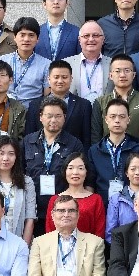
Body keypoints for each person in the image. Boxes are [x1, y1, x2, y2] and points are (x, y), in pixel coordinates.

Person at [22, 96, 86, 225]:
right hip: (32, 208)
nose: (53, 120)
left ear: (64, 117)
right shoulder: (27, 142)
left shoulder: (74, 144)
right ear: (41, 117)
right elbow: (20, 172)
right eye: (49, 116)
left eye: (58, 116)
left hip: (62, 210)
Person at [0, 135, 38, 243]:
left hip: (18, 242)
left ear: (16, 157)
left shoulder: (27, 182)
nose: (6, 158)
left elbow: (30, 218)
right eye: (1, 153)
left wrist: (23, 247)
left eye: (11, 154)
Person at [88, 98, 139, 198]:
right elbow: (90, 183)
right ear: (106, 119)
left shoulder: (137, 150)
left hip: (130, 202)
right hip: (102, 203)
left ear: (128, 119)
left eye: (122, 117)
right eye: (113, 116)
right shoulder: (95, 151)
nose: (117, 120)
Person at [22, 59, 92, 143]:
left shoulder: (83, 105)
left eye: (64, 77)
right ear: (49, 79)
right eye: (56, 77)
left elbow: (86, 139)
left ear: (71, 79)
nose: (60, 81)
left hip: (73, 150)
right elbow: (29, 139)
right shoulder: (35, 105)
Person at [44, 152, 105, 239]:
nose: (75, 172)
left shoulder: (96, 199)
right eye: (70, 168)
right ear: (65, 171)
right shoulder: (54, 200)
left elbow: (99, 232)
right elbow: (50, 231)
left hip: (89, 246)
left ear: (86, 172)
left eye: (80, 168)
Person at [91, 54, 139, 145]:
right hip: (107, 152)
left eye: (127, 71)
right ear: (110, 75)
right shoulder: (100, 102)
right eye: (117, 71)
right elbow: (96, 136)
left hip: (137, 152)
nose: (122, 75)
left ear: (134, 75)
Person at [0, 17, 53, 110]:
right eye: (22, 35)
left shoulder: (46, 65)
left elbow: (47, 96)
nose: (26, 39)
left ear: (37, 39)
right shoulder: (1, 61)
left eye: (31, 35)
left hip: (32, 111)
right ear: (15, 37)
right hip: (5, 110)